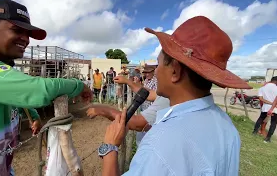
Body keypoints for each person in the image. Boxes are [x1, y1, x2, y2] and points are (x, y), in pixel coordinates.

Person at [99, 16, 252, 176]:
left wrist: (109, 148)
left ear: (175, 71)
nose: (156, 71)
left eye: (159, 65)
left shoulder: (160, 144)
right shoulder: (225, 123)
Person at [0, 0, 92, 176]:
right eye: (16, 30)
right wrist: (79, 85)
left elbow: (11, 95)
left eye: (27, 33)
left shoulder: (3, 68)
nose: (26, 39)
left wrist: (34, 115)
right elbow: (36, 90)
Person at [253, 76, 277, 142]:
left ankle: (254, 132)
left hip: (265, 107)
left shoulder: (262, 88)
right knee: (273, 123)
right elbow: (276, 100)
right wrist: (273, 106)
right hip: (276, 108)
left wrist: (270, 103)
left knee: (260, 119)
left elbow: (261, 99)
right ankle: (267, 138)